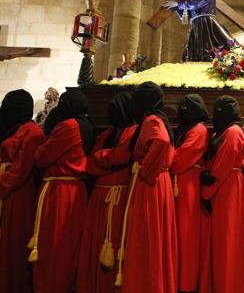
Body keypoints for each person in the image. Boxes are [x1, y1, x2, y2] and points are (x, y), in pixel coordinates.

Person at [116, 82, 177, 293]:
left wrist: (147, 170)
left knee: (147, 237)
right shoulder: (158, 118)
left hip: (151, 184)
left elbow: (161, 141)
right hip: (158, 182)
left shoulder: (152, 120)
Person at [33, 89, 96, 293]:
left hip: (59, 191)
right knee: (70, 248)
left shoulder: (69, 126)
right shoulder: (88, 125)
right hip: (77, 191)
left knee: (53, 247)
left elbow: (43, 156)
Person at [77, 92, 137, 293]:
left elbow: (122, 155)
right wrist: (107, 160)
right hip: (99, 197)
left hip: (120, 197)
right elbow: (90, 164)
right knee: (95, 246)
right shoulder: (105, 135)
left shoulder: (134, 132)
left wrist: (104, 159)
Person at [199, 95, 244, 293]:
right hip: (221, 187)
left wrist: (207, 191)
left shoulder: (234, 132)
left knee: (228, 242)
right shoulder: (220, 133)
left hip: (228, 190)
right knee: (217, 243)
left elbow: (223, 164)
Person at [0, 90, 44, 293]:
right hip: (8, 190)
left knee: (14, 242)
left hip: (18, 194)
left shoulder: (33, 132)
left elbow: (21, 169)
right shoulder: (16, 128)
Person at [172, 94, 209, 293]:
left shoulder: (199, 130)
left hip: (188, 187)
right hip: (179, 185)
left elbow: (180, 160)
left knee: (187, 238)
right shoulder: (184, 129)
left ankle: (186, 284)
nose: (182, 111)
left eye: (187, 108)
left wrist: (165, 152)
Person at [161, 0, 232, 61]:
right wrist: (177, 6)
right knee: (192, 53)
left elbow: (195, 3)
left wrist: (178, 3)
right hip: (196, 24)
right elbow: (186, 17)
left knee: (206, 50)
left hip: (207, 23)